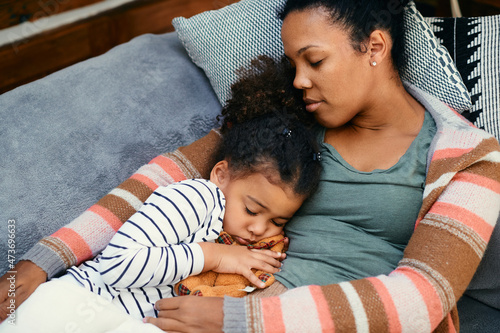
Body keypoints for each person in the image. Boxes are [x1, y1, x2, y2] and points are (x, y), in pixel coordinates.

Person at [1, 0, 499, 332]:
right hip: (208, 302)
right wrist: (42, 262)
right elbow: (157, 180)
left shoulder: (471, 157)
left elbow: (425, 295)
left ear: (373, 47)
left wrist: (245, 319)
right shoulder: (286, 124)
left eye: (315, 61)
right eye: (293, 64)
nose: (300, 80)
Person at [0, 56, 322, 332]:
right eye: (252, 210)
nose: (259, 229)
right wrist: (216, 256)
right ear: (221, 176)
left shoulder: (239, 236)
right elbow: (117, 264)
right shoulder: (200, 199)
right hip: (78, 302)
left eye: (278, 220)